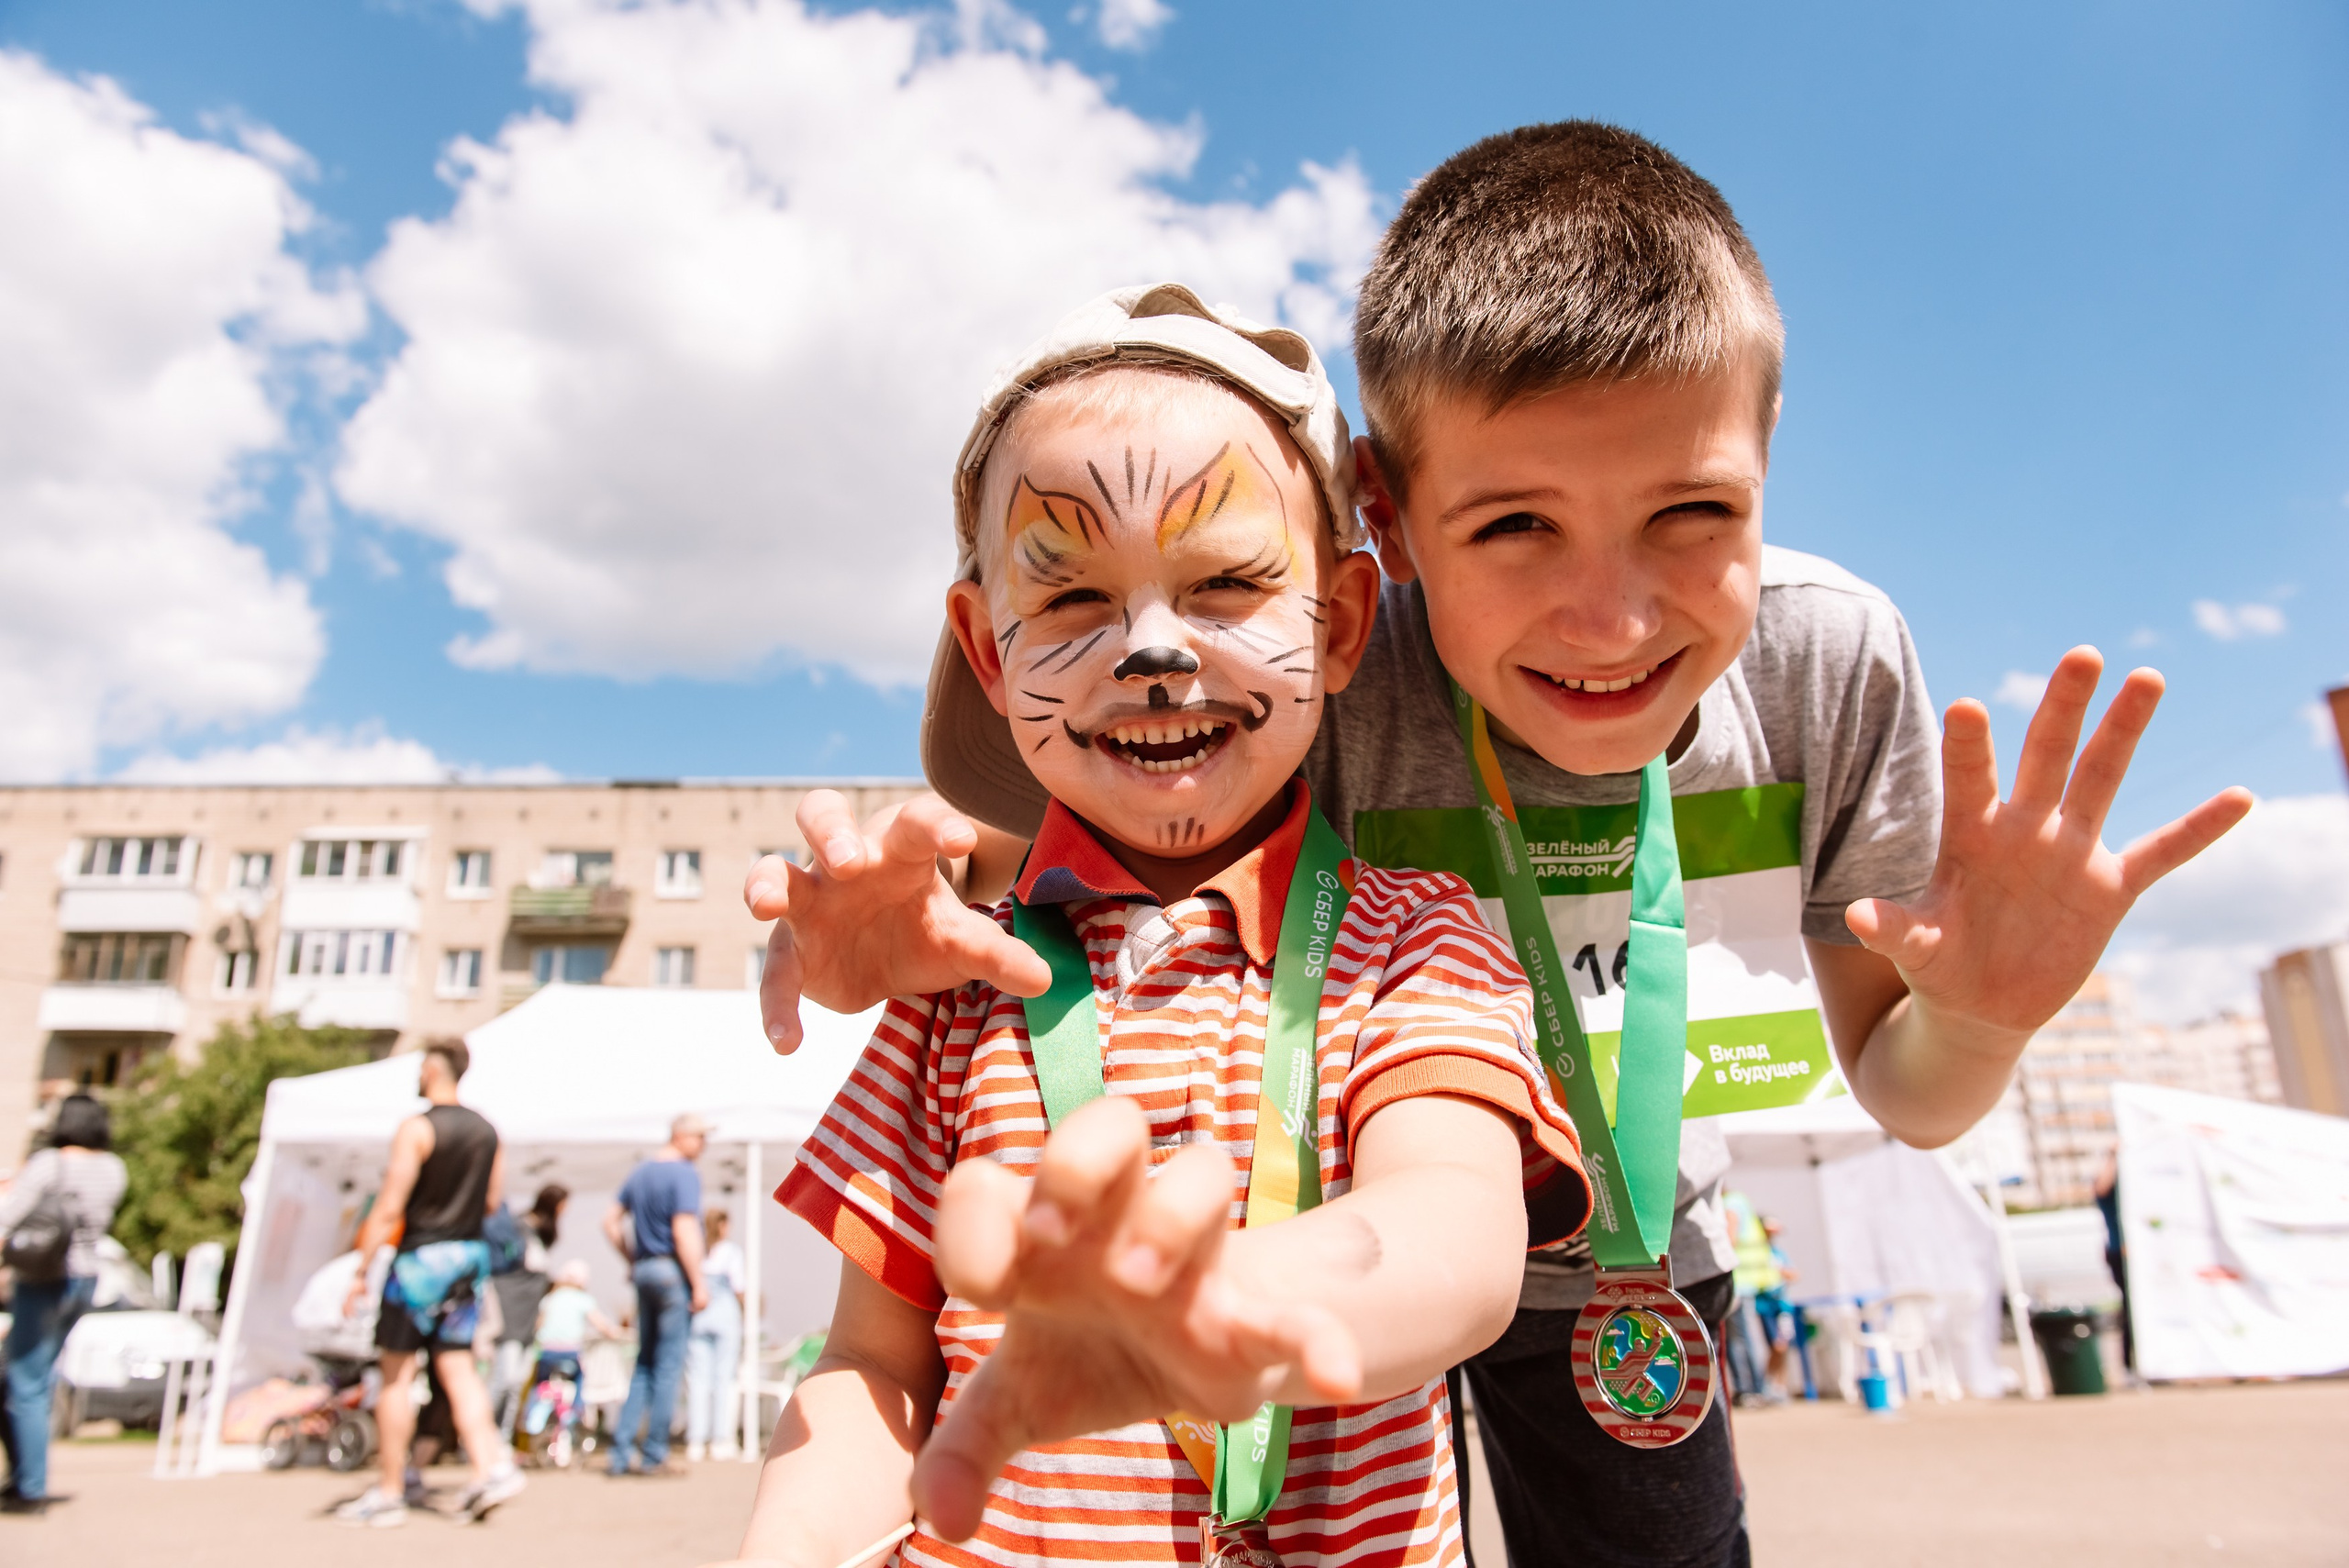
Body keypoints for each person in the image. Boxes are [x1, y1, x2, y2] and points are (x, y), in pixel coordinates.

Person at [740, 122, 2251, 1568]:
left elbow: (1887, 1092)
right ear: (1388, 536)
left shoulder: (1823, 667)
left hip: (1612, 1239)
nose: (1612, 618)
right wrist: (847, 918)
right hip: (1328, 1199)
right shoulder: (1330, 661)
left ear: (1769, 451)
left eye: (1691, 510)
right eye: (1516, 527)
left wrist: (1981, 1015)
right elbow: (1092, 832)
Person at [721, 285, 1592, 1568]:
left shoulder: (1419, 937)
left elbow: (1455, 1240)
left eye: (1228, 581)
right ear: (985, 646)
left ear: (1341, 622)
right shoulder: (953, 982)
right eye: (1069, 599)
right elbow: (870, 1361)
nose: (1151, 651)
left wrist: (1212, 1305)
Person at [336, 1038, 526, 1527]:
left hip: (420, 1260)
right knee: (459, 1368)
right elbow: (491, 1203)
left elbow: (391, 1204)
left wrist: (360, 1269)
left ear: (433, 1070)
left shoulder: (417, 1128)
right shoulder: (488, 1132)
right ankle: (491, 1467)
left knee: (396, 1375)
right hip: (467, 1259)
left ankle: (389, 1489)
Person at [0, 1094, 126, 1515]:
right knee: (27, 1377)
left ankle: (29, 1487)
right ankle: (23, 1476)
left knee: (27, 1382)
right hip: (86, 1278)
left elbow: (8, 1218)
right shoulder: (113, 1169)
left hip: (44, 1278)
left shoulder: (49, 1164)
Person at [604, 1114, 710, 1476]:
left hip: (646, 1269)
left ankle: (619, 1454)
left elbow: (609, 1222)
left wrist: (632, 1259)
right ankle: (654, 1454)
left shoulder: (641, 1172)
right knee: (667, 1366)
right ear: (681, 1136)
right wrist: (698, 1282)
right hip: (670, 1272)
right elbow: (684, 1230)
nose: (704, 1146)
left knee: (644, 1365)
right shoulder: (683, 1174)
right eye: (700, 1138)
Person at [685, 1209, 746, 1462]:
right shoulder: (731, 1252)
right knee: (724, 1379)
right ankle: (721, 1440)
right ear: (722, 1226)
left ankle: (696, 1441)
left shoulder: (696, 1252)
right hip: (725, 1319)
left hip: (699, 1319)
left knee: (698, 1381)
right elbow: (740, 1288)